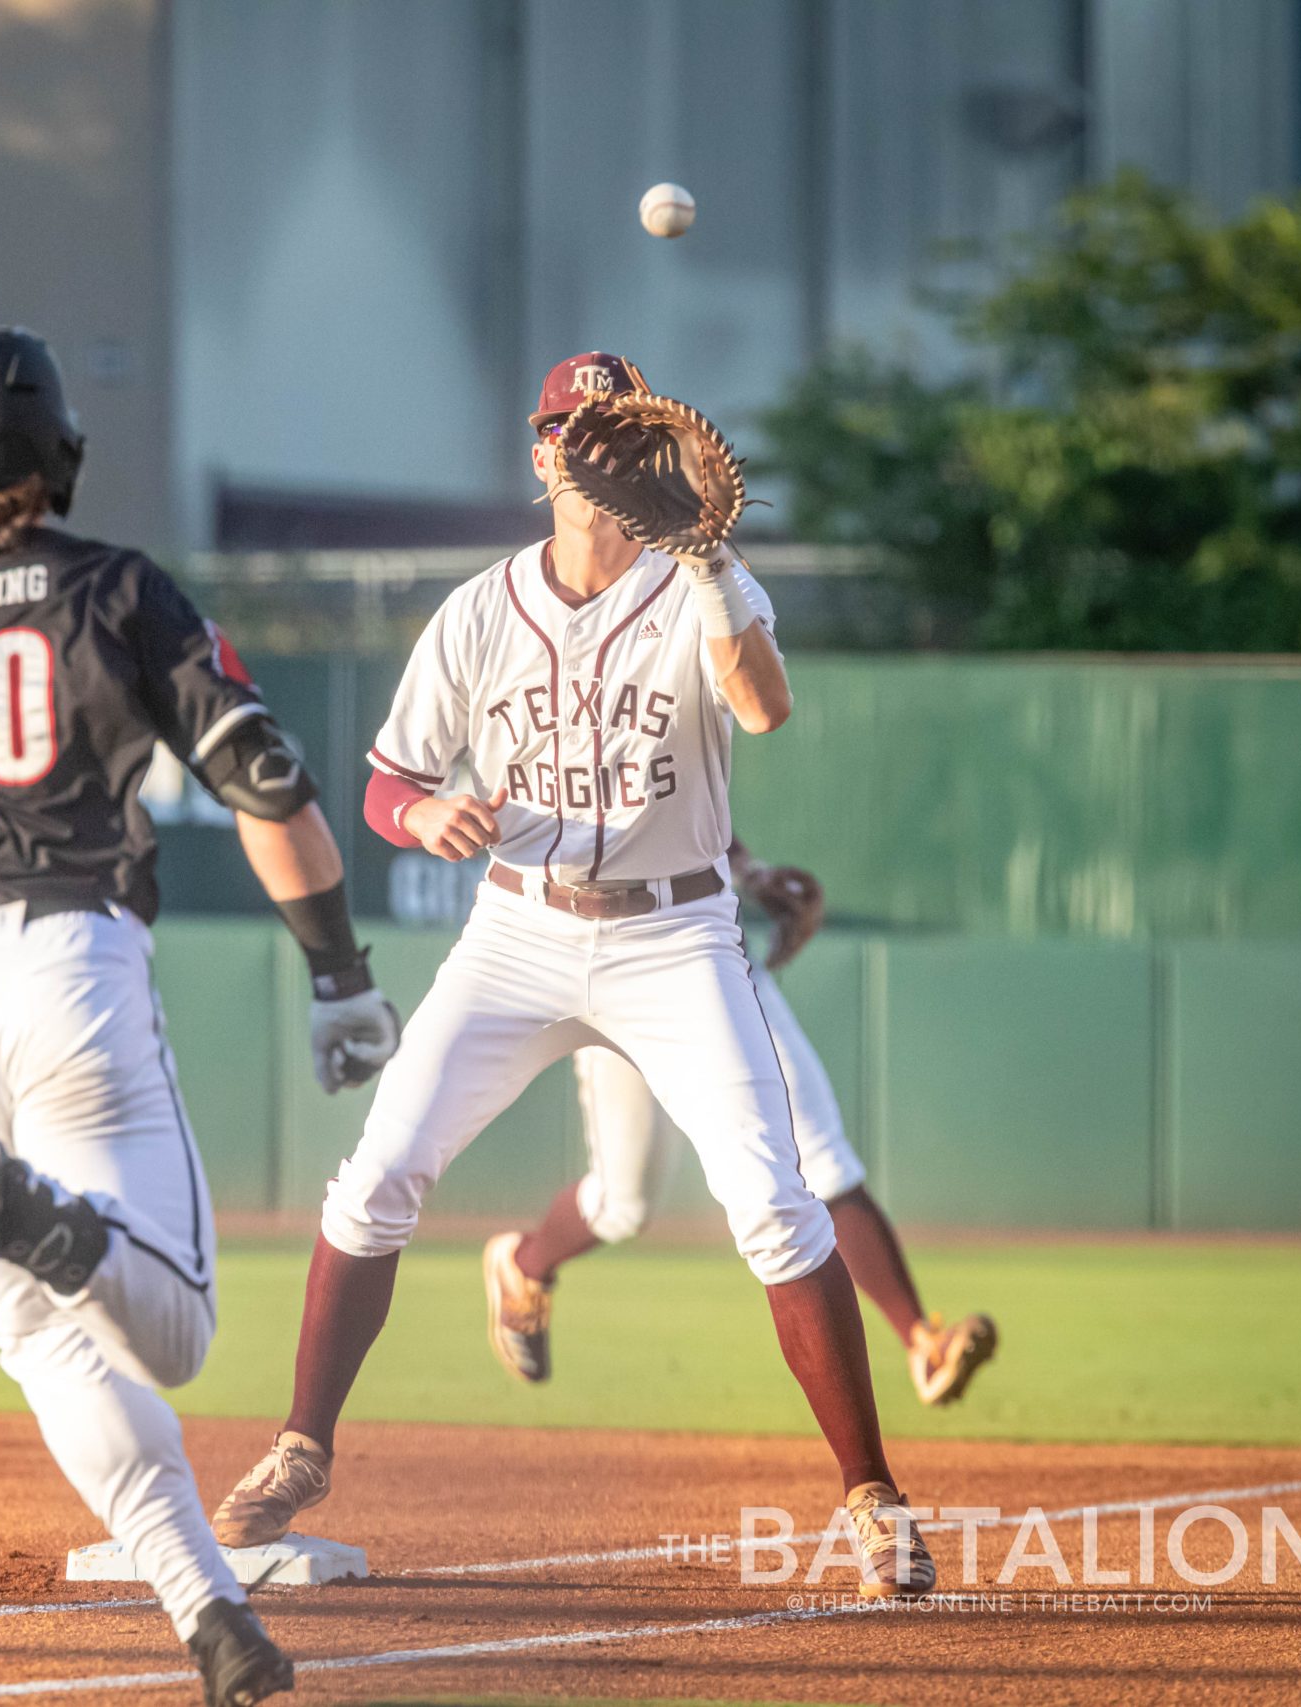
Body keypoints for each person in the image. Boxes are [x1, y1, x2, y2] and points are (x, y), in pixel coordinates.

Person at [211, 352, 938, 1599]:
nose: (592, 450)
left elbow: (761, 710)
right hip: (519, 931)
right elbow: (387, 779)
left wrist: (711, 571)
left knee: (771, 1201)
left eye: (616, 429)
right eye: (572, 431)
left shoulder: (703, 579)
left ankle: (872, 1497)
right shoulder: (479, 609)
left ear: (648, 450)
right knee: (379, 1175)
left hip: (677, 934)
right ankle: (297, 1449)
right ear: (541, 454)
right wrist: (419, 817)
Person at [0, 326, 403, 1707]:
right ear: (56, 449)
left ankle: (208, 1612)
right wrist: (338, 973)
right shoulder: (115, 589)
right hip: (67, 960)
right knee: (174, 1331)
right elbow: (267, 784)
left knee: (40, 1335)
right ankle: (45, 1222)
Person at [485, 840, 999, 1406]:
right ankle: (524, 1264)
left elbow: (688, 795)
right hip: (604, 962)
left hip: (709, 949)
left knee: (815, 1151)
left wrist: (751, 873)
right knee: (624, 1204)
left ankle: (923, 1343)